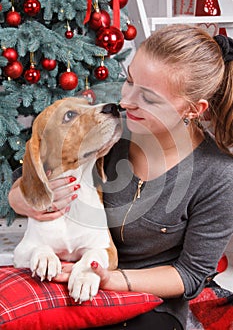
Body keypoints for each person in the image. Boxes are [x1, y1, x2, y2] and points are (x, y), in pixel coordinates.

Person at [8, 24, 233, 330]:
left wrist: (107, 278)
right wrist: (27, 201)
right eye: (129, 81)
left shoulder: (218, 174)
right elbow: (28, 177)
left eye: (150, 99)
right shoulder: (110, 127)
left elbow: (190, 274)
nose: (127, 101)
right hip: (70, 279)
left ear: (193, 109)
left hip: (149, 299)